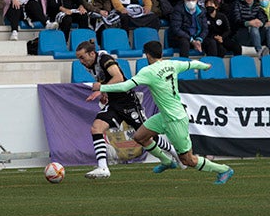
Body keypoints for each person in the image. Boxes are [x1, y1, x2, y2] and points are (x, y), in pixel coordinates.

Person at [90, 40, 235, 184]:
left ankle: (223, 169)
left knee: (187, 159)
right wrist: (205, 66)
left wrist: (101, 87)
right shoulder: (172, 64)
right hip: (164, 116)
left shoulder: (148, 71)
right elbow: (192, 64)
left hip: (175, 120)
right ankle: (166, 161)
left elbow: (125, 86)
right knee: (140, 136)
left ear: (147, 55)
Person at [76, 41, 179, 179]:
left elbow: (118, 77)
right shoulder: (92, 66)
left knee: (148, 136)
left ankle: (175, 153)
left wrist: (101, 89)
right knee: (96, 128)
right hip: (114, 104)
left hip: (128, 102)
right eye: (79, 58)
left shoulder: (104, 59)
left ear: (92, 53)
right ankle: (103, 167)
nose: (81, 61)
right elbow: (107, 80)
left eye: (82, 57)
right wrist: (105, 94)